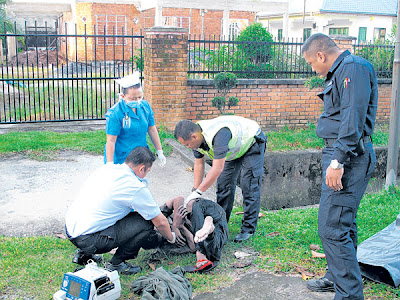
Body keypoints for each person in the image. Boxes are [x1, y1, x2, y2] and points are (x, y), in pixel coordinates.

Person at [302, 33, 377, 299]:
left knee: (332, 227)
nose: (313, 69)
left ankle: (349, 295)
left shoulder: (352, 68)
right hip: (341, 153)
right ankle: (337, 277)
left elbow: (353, 117)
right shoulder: (341, 71)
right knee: (342, 223)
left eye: (312, 63)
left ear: (321, 55)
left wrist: (338, 159)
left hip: (349, 157)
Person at [65, 147, 181, 275]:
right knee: (146, 222)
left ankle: (83, 255)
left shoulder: (107, 169)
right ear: (142, 168)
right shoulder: (134, 186)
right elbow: (160, 222)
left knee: (108, 211)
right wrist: (172, 238)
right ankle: (117, 263)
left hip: (71, 229)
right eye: (148, 171)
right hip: (88, 239)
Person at [174, 115, 267, 243]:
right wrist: (195, 191)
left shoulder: (218, 135)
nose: (187, 147)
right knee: (224, 186)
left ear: (194, 136)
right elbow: (199, 164)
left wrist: (199, 192)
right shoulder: (197, 140)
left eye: (187, 144)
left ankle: (248, 229)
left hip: (251, 142)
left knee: (249, 185)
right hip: (232, 150)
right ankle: (221, 224)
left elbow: (217, 168)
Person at [104, 72, 166, 166]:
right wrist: (110, 164)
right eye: (133, 98)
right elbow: (111, 140)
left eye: (140, 97)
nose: (137, 101)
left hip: (140, 156)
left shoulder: (145, 107)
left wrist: (160, 151)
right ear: (123, 96)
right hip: (121, 159)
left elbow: (152, 130)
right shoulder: (115, 113)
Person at [161, 196, 228, 273]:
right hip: (213, 229)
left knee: (194, 205)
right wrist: (181, 227)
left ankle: (201, 252)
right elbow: (193, 248)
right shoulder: (165, 245)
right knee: (212, 251)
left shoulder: (158, 218)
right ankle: (209, 226)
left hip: (204, 208)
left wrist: (175, 224)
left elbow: (179, 199)